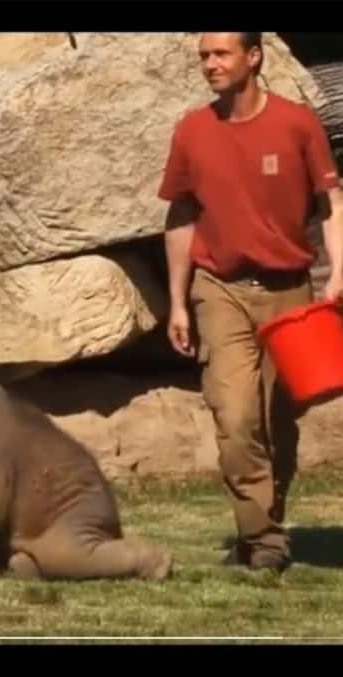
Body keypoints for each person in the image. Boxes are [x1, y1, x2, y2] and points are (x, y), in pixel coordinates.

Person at [159, 32, 343, 572]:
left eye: (221, 54)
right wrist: (177, 302)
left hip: (290, 291)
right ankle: (262, 539)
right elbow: (180, 218)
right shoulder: (192, 130)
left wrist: (338, 271)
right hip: (220, 288)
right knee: (236, 415)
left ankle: (267, 523)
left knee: (278, 418)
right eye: (204, 56)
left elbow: (330, 203)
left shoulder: (296, 123)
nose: (210, 65)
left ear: (253, 57)